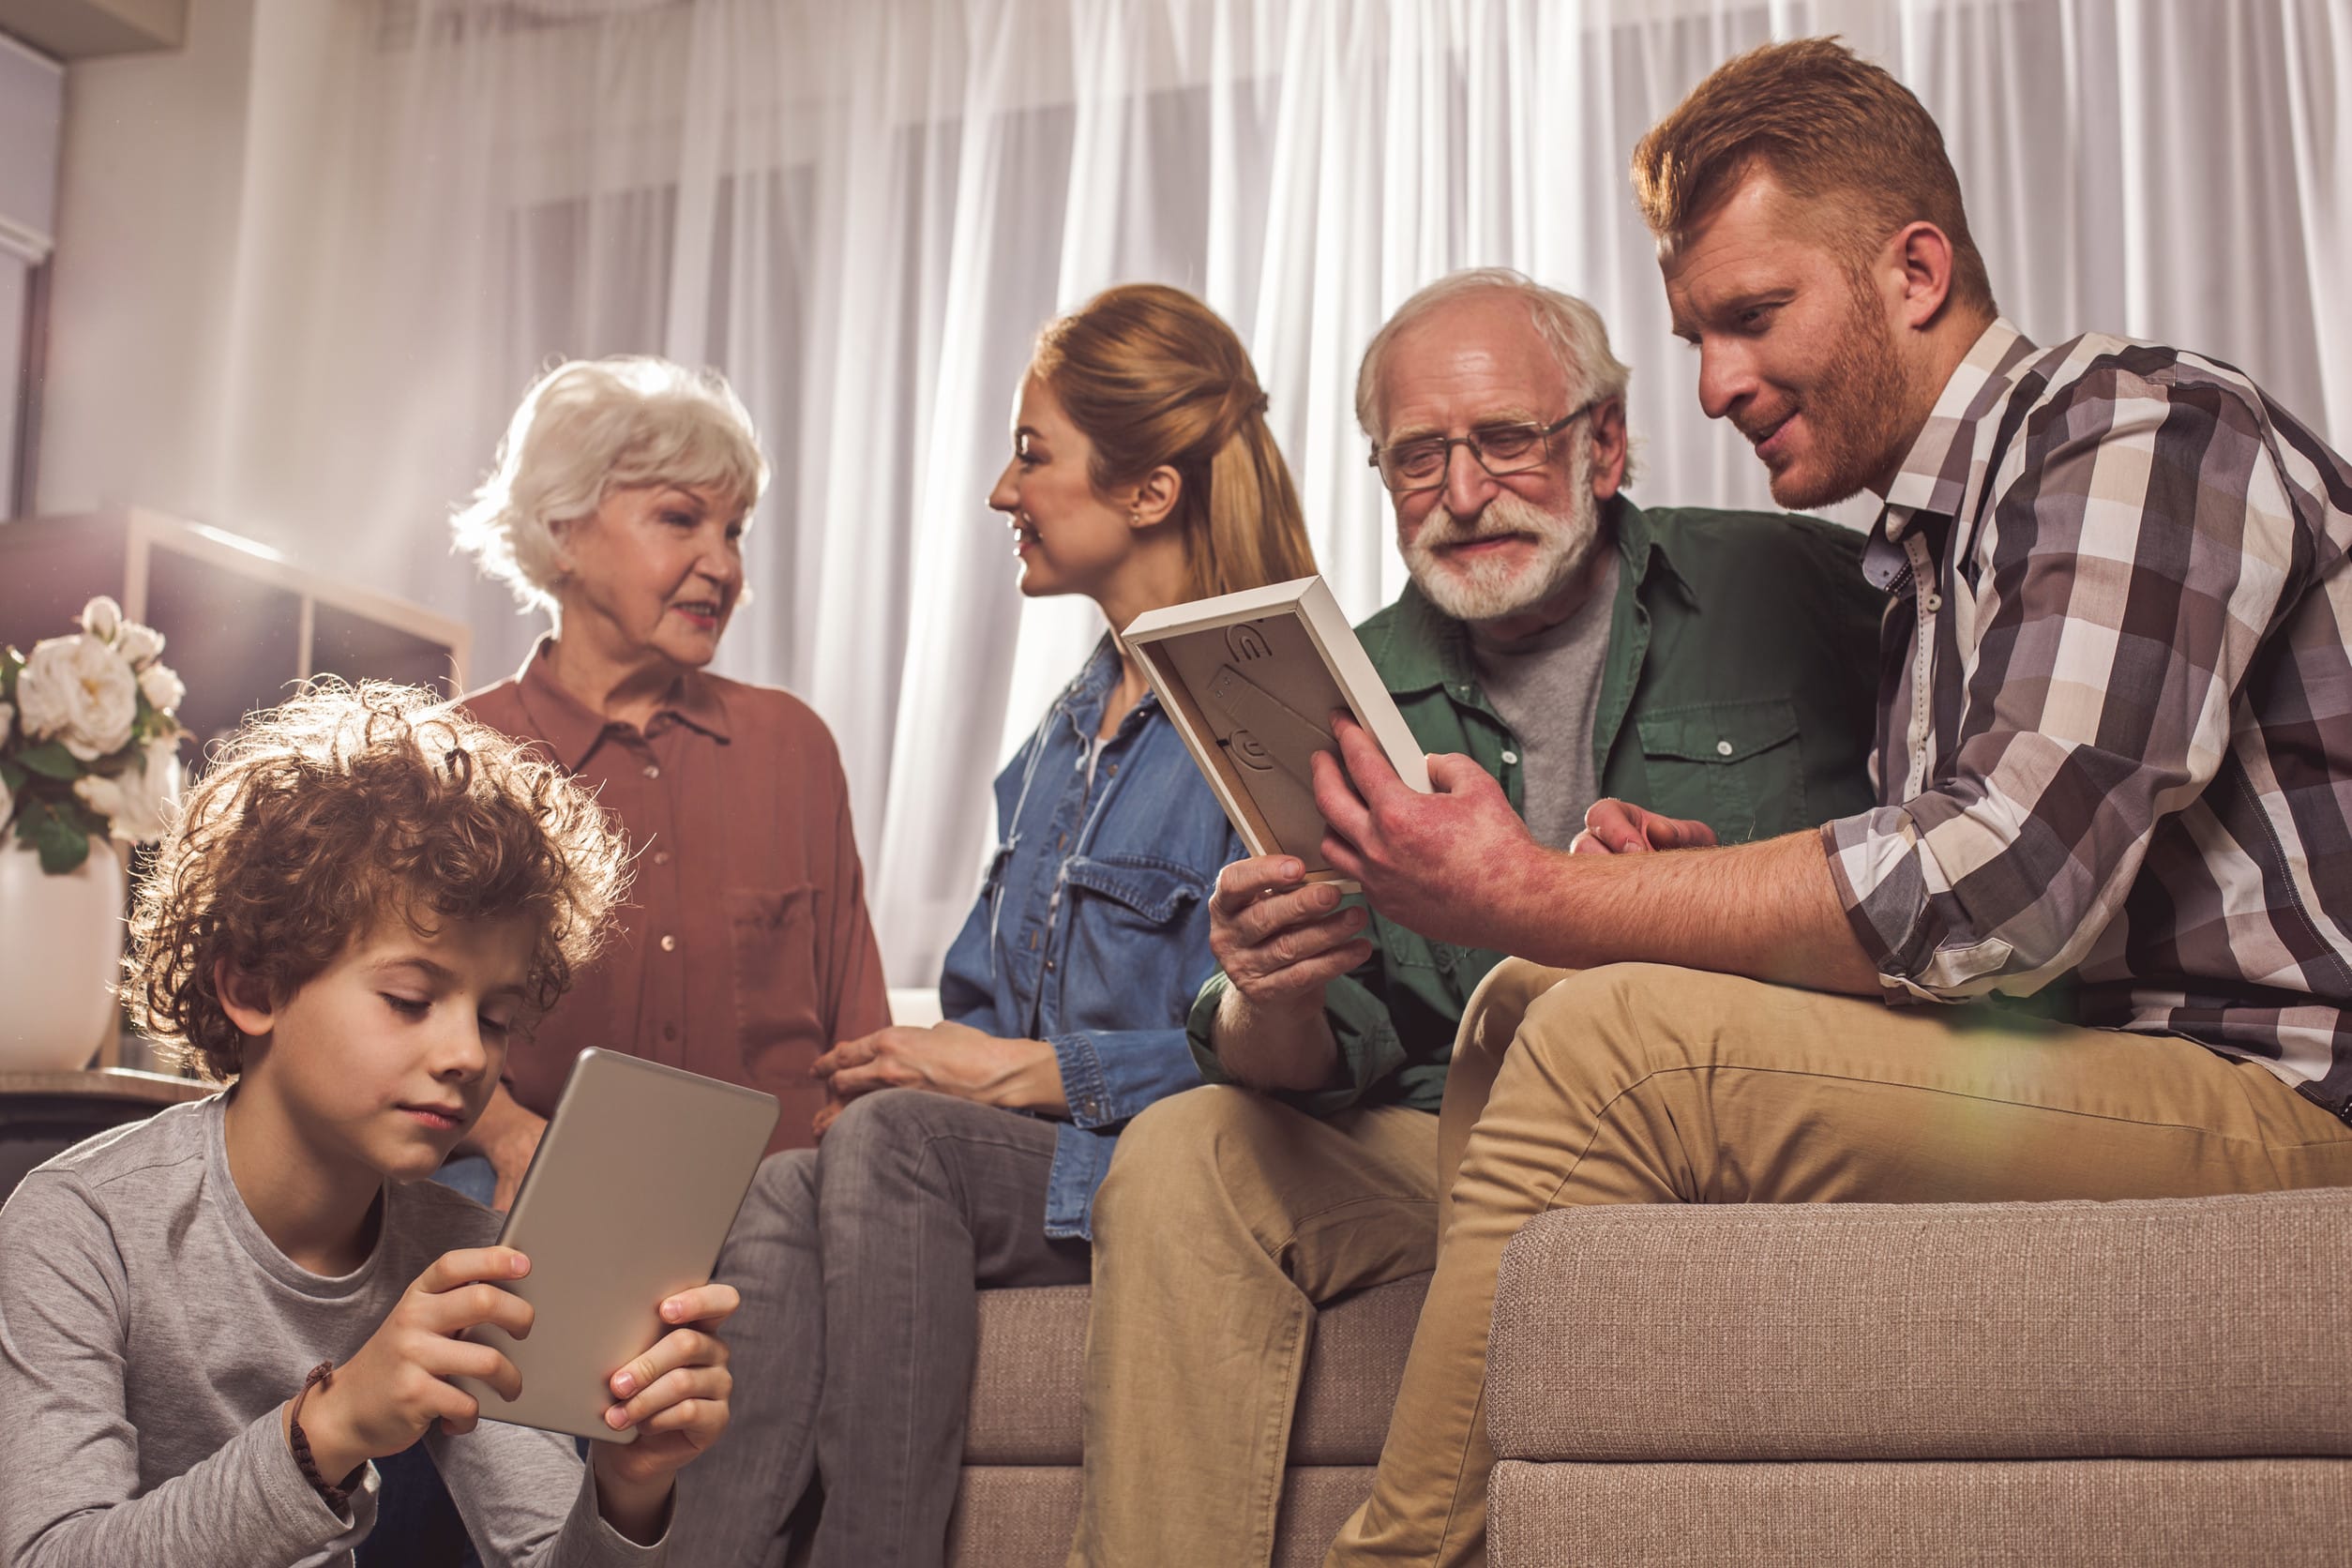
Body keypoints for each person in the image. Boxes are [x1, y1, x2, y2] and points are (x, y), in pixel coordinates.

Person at [1317, 40, 2352, 1568]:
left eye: (1749, 316)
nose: (1712, 385)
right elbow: (1955, 896)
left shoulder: (2136, 431)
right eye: (1692, 335)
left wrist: (1544, 890)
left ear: (1912, 269)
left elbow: (2005, 886)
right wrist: (1681, 891)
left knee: (1603, 1033)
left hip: (2272, 1100)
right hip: (2065, 1062)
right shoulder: (1923, 553)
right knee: (1541, 998)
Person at [1064, 268, 1887, 1567]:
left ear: (1603, 444)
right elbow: (1324, 1053)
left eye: (1507, 440)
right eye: (1417, 459)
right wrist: (1268, 991)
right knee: (1182, 1150)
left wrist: (1680, 890)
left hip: (1718, 1126)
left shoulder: (1799, 588)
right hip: (1459, 1152)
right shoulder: (1339, 687)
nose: (1462, 495)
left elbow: (1968, 848)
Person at [672, 282, 1321, 1568]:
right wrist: (931, 1067)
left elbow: (1310, 1050)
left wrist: (1022, 1073)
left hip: (1169, 1171)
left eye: (1033, 455)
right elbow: (970, 1027)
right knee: (788, 1184)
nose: (999, 491)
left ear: (1149, 490)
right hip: (1021, 1169)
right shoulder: (1057, 745)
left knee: (902, 1144)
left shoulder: (1273, 710)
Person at [0, 683, 738, 1566]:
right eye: (410, 999)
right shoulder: (80, 1227)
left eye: (496, 1018)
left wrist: (631, 1490)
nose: (468, 1053)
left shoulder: (467, 1261)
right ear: (253, 986)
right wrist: (332, 1424)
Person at [453, 355, 889, 1205]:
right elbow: (406, 1026)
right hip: (550, 1191)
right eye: (680, 520)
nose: (721, 566)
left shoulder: (792, 746)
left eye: (733, 532)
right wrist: (510, 1141)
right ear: (564, 531)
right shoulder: (461, 754)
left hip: (781, 1209)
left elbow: (860, 1042)